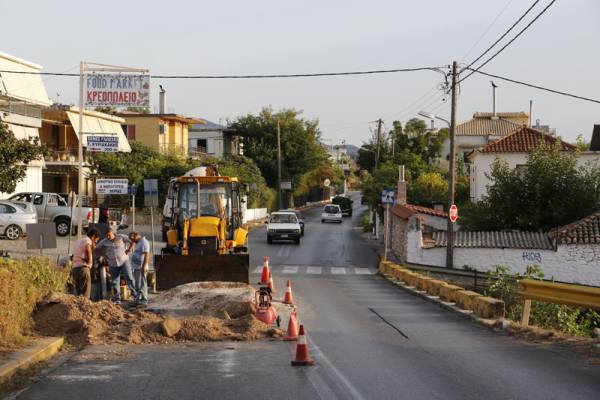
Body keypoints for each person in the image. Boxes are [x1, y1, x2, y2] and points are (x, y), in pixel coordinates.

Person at [95, 228, 137, 304]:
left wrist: (129, 249)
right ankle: (116, 299)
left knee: (129, 277)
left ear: (113, 233)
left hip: (124, 261)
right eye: (107, 235)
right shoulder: (104, 242)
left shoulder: (121, 237)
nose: (108, 237)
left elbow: (132, 241)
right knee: (115, 281)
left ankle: (135, 295)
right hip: (112, 263)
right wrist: (102, 255)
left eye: (109, 235)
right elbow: (96, 248)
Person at [71, 228, 101, 298]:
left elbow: (73, 255)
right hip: (83, 268)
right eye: (96, 240)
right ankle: (84, 308)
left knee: (79, 294)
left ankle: (78, 308)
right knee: (85, 294)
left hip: (75, 268)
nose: (96, 242)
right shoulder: (88, 241)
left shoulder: (79, 241)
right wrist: (90, 261)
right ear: (93, 236)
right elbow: (88, 248)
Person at [128, 231, 150, 306]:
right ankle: (138, 299)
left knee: (142, 283)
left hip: (141, 267)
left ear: (136, 236)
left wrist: (144, 266)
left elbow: (147, 255)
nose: (132, 241)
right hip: (137, 267)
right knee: (138, 283)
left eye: (132, 239)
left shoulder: (144, 242)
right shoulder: (138, 242)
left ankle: (144, 299)